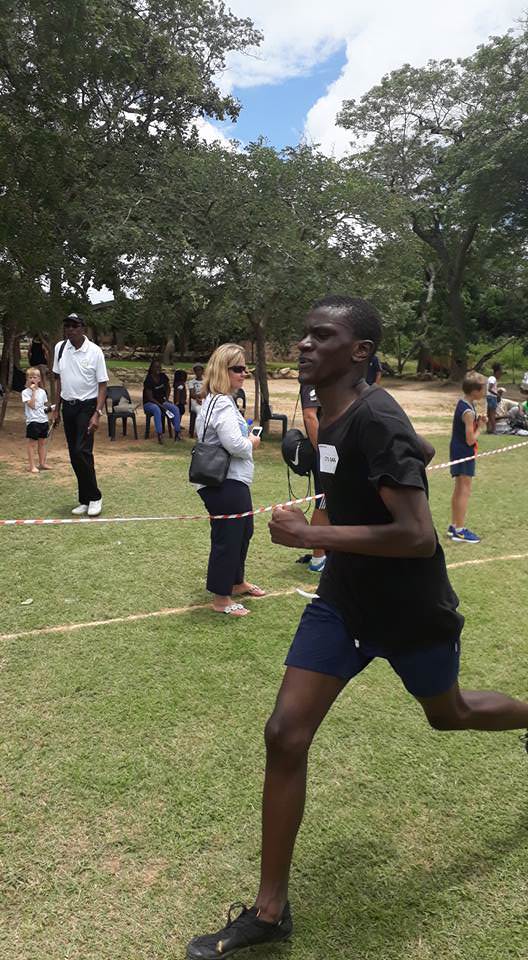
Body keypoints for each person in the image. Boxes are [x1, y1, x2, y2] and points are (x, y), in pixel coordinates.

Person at [186, 295, 528, 960]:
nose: (305, 345)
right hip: (342, 602)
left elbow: (416, 532)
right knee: (285, 733)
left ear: (360, 352)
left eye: (323, 336)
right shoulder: (332, 415)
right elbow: (382, 474)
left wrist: (313, 533)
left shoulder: (377, 417)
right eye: (304, 333)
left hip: (411, 610)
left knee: (449, 713)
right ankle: (270, 910)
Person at [194, 344, 264, 617]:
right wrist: (252, 442)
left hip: (226, 480)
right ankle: (221, 598)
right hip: (225, 481)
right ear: (222, 371)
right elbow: (234, 444)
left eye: (244, 368)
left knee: (243, 530)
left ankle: (236, 582)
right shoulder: (222, 401)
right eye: (237, 369)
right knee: (229, 537)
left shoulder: (214, 400)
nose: (243, 373)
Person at [52, 313, 108, 517]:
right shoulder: (60, 348)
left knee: (81, 451)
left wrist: (97, 414)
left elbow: (102, 385)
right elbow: (58, 381)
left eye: (74, 325)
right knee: (74, 455)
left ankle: (95, 497)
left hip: (87, 407)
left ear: (83, 328)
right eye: (67, 325)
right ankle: (84, 499)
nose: (70, 329)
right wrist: (56, 409)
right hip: (68, 407)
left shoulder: (94, 352)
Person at [447, 371, 486, 544]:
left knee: (459, 489)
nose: (484, 392)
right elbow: (470, 439)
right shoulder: (468, 411)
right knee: (464, 490)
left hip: (457, 450)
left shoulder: (464, 404)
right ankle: (460, 531)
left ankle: (454, 526)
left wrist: (478, 421)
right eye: (483, 389)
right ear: (475, 391)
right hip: (464, 453)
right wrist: (481, 428)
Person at [299, 383, 329, 573]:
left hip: (336, 451)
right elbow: (310, 416)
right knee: (324, 503)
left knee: (332, 503)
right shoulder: (313, 377)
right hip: (327, 455)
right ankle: (318, 558)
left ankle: (328, 551)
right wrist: (325, 453)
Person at [142, 359, 181, 443]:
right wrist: (161, 406)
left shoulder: (163, 376)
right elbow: (150, 398)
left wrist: (166, 398)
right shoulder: (148, 380)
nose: (158, 369)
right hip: (150, 404)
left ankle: (177, 432)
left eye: (159, 367)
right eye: (156, 367)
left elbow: (168, 388)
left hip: (162, 402)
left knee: (175, 408)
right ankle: (159, 434)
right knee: (156, 409)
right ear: (151, 368)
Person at [21, 367, 51, 473]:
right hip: (33, 421)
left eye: (35, 377)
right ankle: (32, 466)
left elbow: (42, 407)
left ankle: (42, 463)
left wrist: (51, 409)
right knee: (32, 444)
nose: (32, 379)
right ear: (27, 379)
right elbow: (32, 405)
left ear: (39, 379)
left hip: (43, 420)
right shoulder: (25, 392)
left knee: (42, 443)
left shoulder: (43, 392)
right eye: (30, 377)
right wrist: (33, 392)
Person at [188, 363, 204, 438]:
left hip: (204, 399)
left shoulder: (206, 381)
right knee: (199, 410)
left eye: (199, 370)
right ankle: (198, 432)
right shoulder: (191, 382)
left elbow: (207, 392)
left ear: (202, 371)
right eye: (196, 370)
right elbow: (192, 394)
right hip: (195, 400)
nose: (198, 372)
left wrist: (201, 397)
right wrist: (197, 398)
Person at [486, 362, 502, 434]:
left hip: (489, 397)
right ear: (497, 372)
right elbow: (490, 389)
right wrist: (497, 394)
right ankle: (494, 430)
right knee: (492, 414)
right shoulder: (493, 378)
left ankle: (489, 429)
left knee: (489, 414)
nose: (500, 375)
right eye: (500, 373)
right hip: (492, 397)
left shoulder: (490, 378)